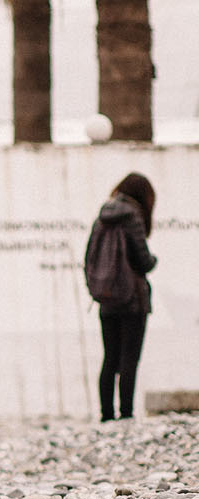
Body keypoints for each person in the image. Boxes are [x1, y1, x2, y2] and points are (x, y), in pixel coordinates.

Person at [86, 172, 159, 422]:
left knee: (110, 358)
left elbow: (89, 259)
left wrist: (97, 287)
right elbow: (143, 260)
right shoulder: (133, 217)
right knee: (129, 358)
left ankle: (106, 415)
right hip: (133, 299)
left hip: (107, 299)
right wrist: (154, 261)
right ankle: (126, 414)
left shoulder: (102, 217)